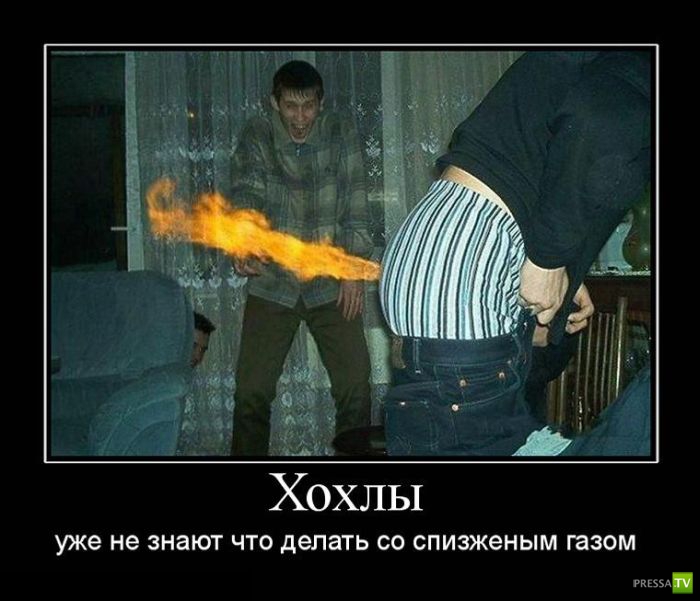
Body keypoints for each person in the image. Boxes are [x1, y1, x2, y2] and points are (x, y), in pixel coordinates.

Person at [379, 50, 651, 456]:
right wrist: (548, 259)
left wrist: (564, 269)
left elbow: (542, 151)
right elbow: (601, 118)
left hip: (454, 250)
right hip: (466, 259)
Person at [229, 60, 373, 455]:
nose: (299, 117)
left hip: (330, 281)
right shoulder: (257, 133)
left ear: (320, 104)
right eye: (290, 106)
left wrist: (352, 269)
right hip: (273, 282)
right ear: (274, 103)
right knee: (251, 393)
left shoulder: (340, 131)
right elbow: (246, 193)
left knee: (356, 387)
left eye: (308, 106)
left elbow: (356, 204)